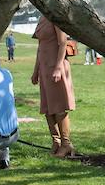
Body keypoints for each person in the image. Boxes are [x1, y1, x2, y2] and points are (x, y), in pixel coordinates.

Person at [32, 15, 77, 157]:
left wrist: (58, 67)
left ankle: (66, 143)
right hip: (44, 68)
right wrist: (35, 71)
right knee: (47, 107)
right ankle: (56, 142)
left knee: (59, 106)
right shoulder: (41, 18)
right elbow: (40, 47)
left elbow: (63, 42)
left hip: (57, 66)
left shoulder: (55, 15)